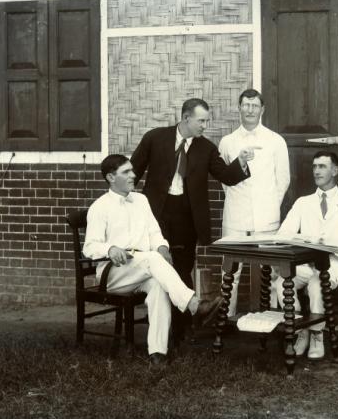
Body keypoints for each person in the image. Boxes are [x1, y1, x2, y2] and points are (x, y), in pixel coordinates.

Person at [130, 98, 255, 342]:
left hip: (187, 217)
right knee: (160, 265)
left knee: (183, 268)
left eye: (206, 121)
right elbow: (134, 170)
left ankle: (181, 329)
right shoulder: (155, 138)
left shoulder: (206, 148)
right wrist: (129, 208)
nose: (205, 126)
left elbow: (226, 177)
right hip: (156, 214)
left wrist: (240, 163)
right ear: (186, 118)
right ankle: (176, 320)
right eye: (201, 121)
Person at [83, 155, 222, 365]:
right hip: (114, 273)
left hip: (143, 267)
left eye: (132, 170)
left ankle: (157, 353)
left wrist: (162, 247)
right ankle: (193, 305)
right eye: (126, 172)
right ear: (111, 177)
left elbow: (154, 232)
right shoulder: (99, 207)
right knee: (151, 259)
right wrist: (110, 248)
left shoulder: (141, 200)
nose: (133, 175)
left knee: (158, 285)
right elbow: (90, 247)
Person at [274, 151, 338, 360]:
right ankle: (301, 330)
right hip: (305, 264)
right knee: (280, 282)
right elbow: (284, 233)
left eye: (322, 166)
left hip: (334, 265)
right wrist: (303, 241)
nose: (316, 170)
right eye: (314, 166)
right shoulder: (303, 202)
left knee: (318, 282)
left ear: (335, 171)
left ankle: (317, 334)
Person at [218, 88, 290, 316]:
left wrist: (268, 205)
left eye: (255, 106)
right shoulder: (228, 141)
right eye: (246, 105)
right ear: (239, 108)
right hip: (235, 215)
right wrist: (239, 201)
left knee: (272, 270)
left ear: (262, 109)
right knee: (230, 270)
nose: (250, 110)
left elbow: (283, 179)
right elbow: (225, 180)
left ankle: (270, 317)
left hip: (266, 216)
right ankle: (227, 317)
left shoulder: (275, 141)